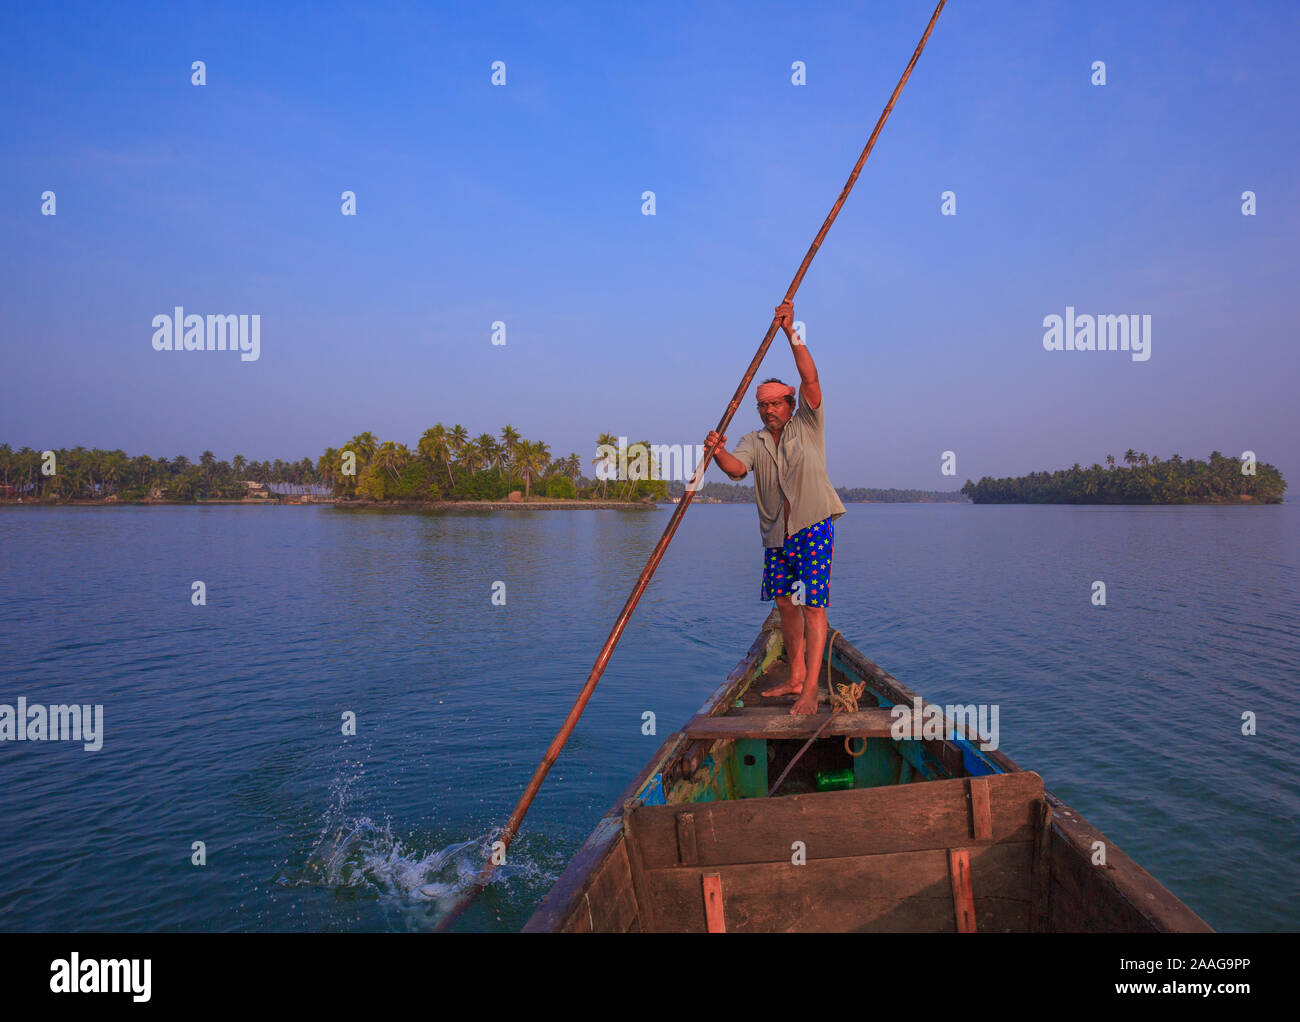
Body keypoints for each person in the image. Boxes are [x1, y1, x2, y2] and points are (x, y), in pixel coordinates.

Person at [706, 300, 846, 715]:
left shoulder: (808, 424)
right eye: (762, 406)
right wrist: (718, 452)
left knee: (813, 607)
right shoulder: (754, 439)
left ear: (789, 402)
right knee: (785, 603)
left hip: (813, 527)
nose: (769, 411)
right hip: (776, 535)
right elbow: (735, 470)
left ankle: (809, 692)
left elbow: (811, 377)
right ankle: (796, 674)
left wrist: (790, 332)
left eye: (775, 403)